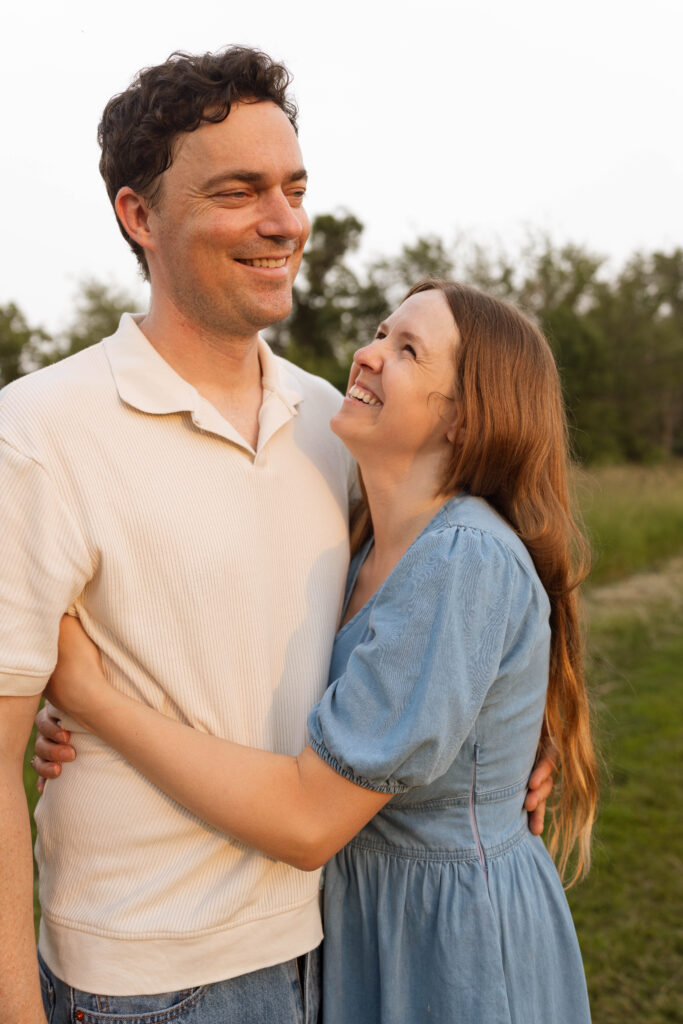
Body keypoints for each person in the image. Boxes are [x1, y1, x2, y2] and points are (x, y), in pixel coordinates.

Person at [0, 46, 554, 1024]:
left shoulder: (331, 428)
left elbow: (447, 597)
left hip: (328, 946)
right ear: (139, 217)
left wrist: (502, 733)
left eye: (293, 187)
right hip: (146, 982)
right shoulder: (38, 432)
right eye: (239, 191)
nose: (283, 221)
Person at [42, 280, 597, 1023]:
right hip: (368, 919)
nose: (366, 355)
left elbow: (309, 820)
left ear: (465, 418)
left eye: (407, 351)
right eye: (379, 332)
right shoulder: (364, 536)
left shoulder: (459, 559)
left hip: (446, 937)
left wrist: (92, 698)